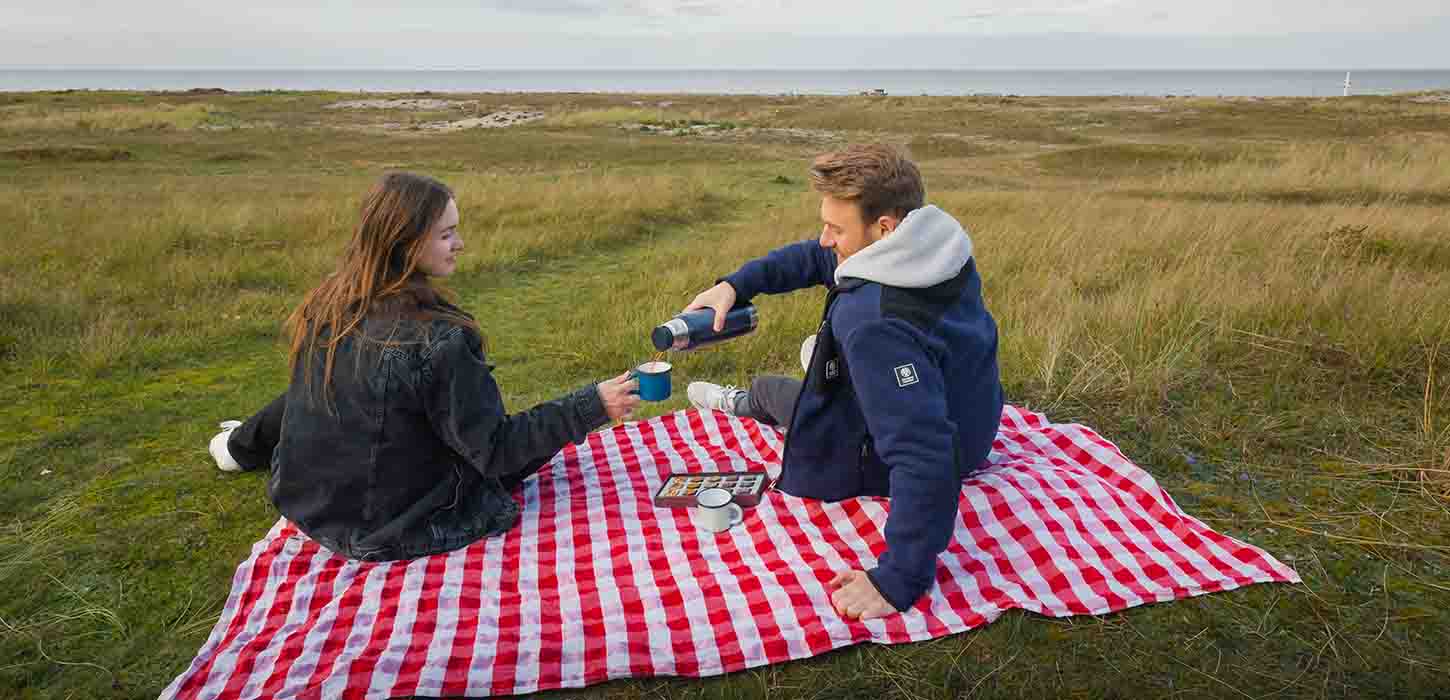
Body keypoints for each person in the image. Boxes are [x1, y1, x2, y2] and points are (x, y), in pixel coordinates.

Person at [207, 172, 639, 561]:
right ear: (405, 243)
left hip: (312, 506)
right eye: (447, 234)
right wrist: (593, 405)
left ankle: (236, 448)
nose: (460, 244)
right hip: (397, 526)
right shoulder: (440, 339)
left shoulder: (331, 304)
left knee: (331, 386)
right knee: (490, 458)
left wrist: (243, 446)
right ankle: (238, 446)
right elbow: (495, 452)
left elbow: (307, 395)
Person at [683, 144, 1003, 620]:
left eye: (836, 229)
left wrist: (898, 580)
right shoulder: (935, 247)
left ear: (884, 228)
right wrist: (735, 285)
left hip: (929, 454)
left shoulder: (872, 320)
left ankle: (744, 402)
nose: (824, 239)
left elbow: (922, 452)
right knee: (828, 363)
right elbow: (816, 259)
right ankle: (808, 381)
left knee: (777, 390)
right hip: (974, 425)